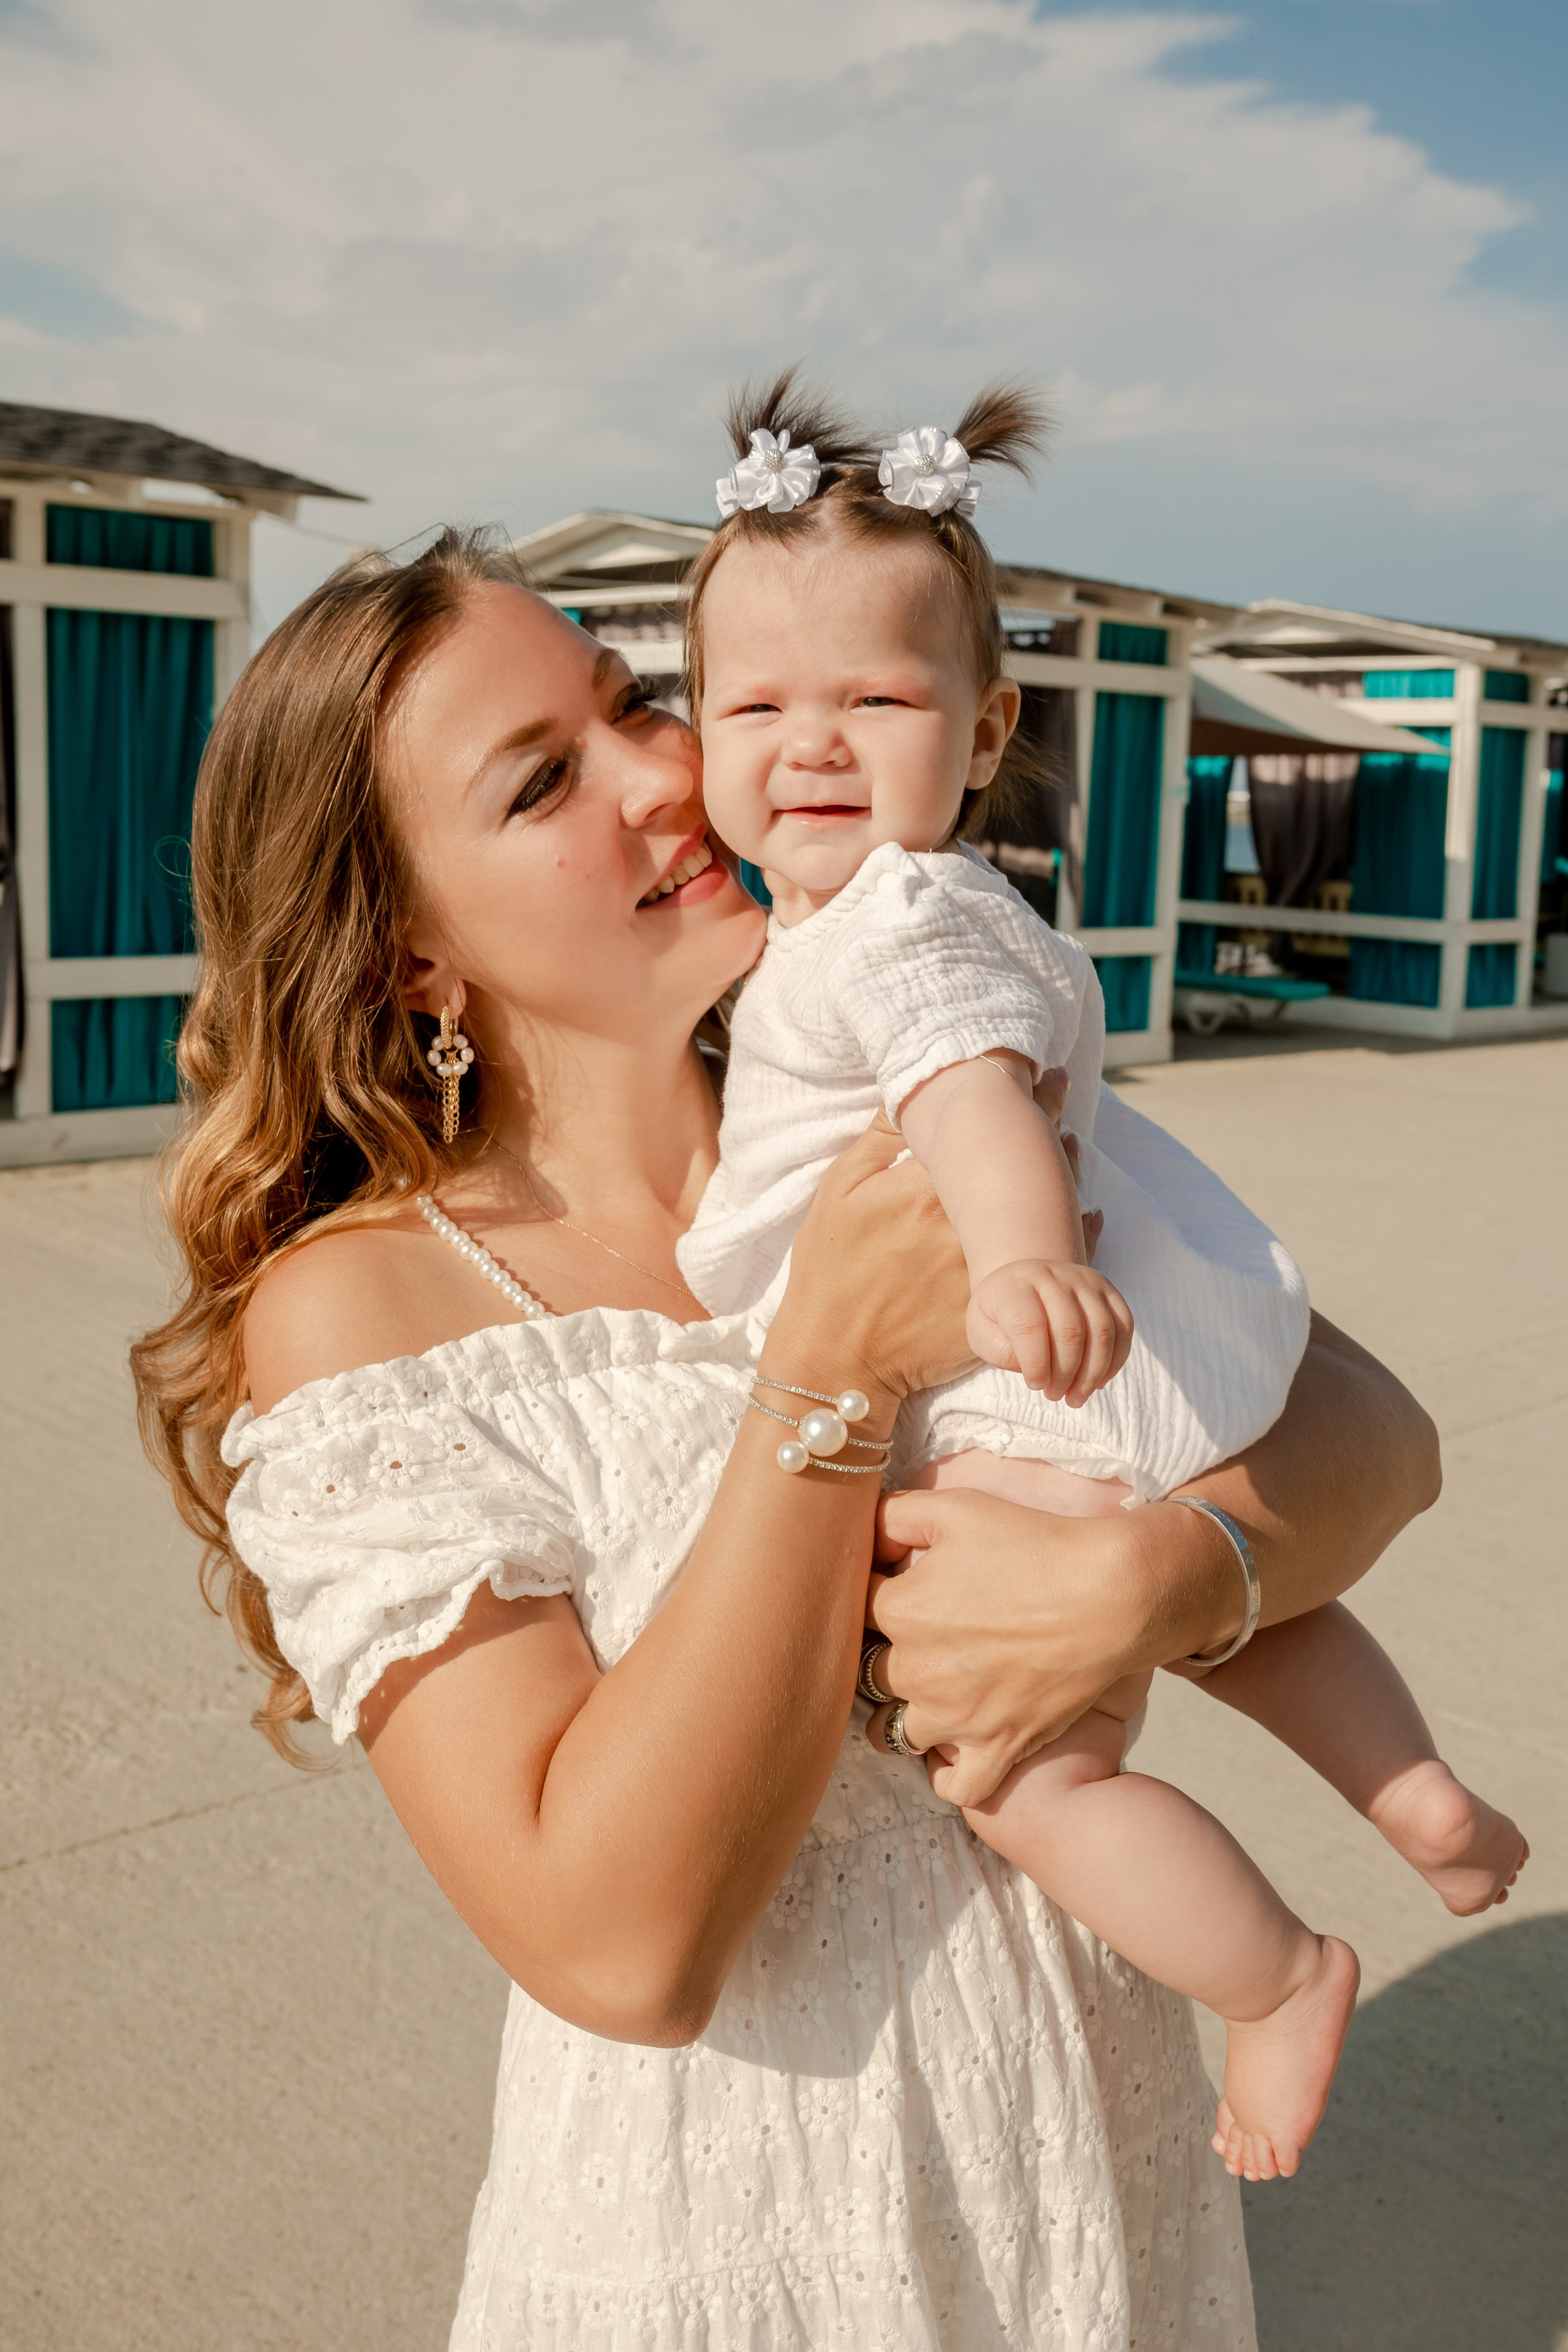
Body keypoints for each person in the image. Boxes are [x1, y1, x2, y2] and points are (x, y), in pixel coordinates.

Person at [134, 526, 1442, 2350]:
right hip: (741, 2203)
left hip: (1087, 2119)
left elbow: (1373, 1436)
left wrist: (1155, 1574)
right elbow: (619, 1949)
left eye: (629, 702)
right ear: (414, 955)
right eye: (544, 780)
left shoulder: (882, 1084)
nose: (669, 771)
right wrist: (826, 1366)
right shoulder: (366, 1312)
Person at [679, 375, 1527, 2185]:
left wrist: (1017, 1262)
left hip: (1004, 1393)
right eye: (753, 702)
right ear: (696, 723)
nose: (809, 742)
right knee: (1243, 1611)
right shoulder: (938, 901)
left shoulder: (885, 923)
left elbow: (969, 1093)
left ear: (984, 729)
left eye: (873, 701)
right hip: (1111, 1385)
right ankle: (1415, 1789)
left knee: (1030, 1776)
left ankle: (1281, 1977)